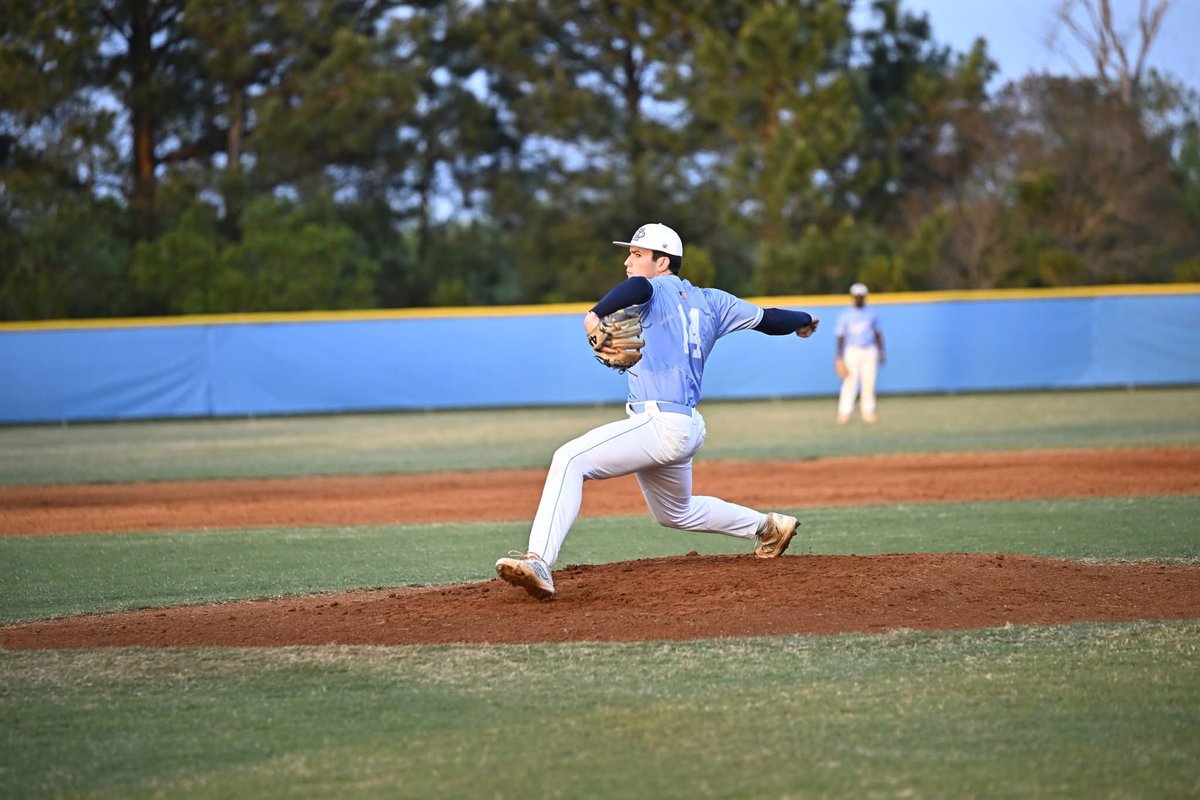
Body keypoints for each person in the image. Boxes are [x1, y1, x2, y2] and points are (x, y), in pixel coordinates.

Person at [495, 222, 820, 600]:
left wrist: (596, 313)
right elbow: (769, 318)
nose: (628, 263)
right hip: (687, 425)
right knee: (675, 512)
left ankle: (539, 561)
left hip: (660, 424)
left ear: (662, 262)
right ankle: (768, 527)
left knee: (569, 459)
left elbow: (639, 287)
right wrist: (805, 320)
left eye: (637, 254)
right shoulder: (713, 300)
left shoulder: (650, 289)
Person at [834, 282, 886, 424]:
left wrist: (881, 351)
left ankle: (868, 412)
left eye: (861, 296)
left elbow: (878, 333)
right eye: (856, 296)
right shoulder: (845, 315)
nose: (859, 298)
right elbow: (840, 336)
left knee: (869, 381)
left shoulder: (871, 313)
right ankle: (844, 412)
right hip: (852, 350)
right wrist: (838, 356)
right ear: (852, 297)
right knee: (850, 381)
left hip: (869, 349)